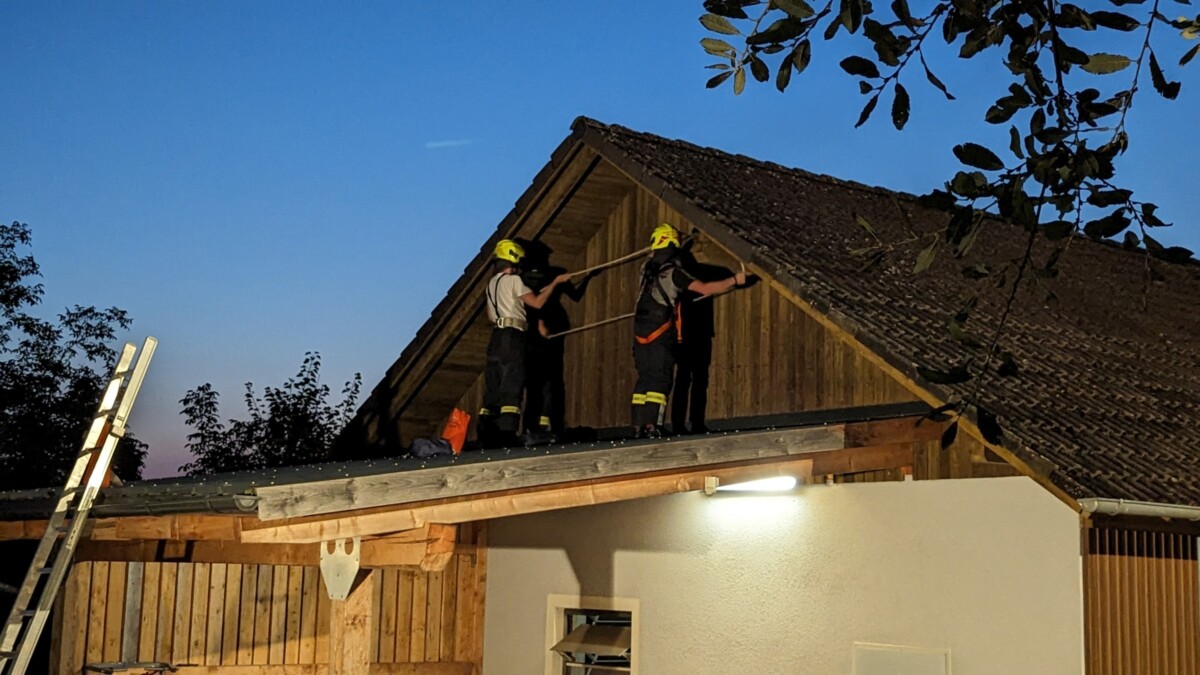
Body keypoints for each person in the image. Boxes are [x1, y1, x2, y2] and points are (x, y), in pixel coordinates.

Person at [631, 224, 746, 438]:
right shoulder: (675, 274)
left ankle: (638, 425)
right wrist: (734, 280)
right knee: (660, 379)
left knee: (644, 378)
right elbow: (705, 288)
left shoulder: (645, 268)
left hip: (640, 332)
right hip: (660, 333)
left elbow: (654, 255)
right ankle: (651, 426)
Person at [477, 239, 570, 448]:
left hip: (496, 337)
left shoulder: (491, 284)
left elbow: (490, 316)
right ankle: (507, 432)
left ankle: (486, 432)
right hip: (513, 336)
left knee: (494, 386)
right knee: (512, 383)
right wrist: (555, 283)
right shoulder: (515, 281)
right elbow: (537, 302)